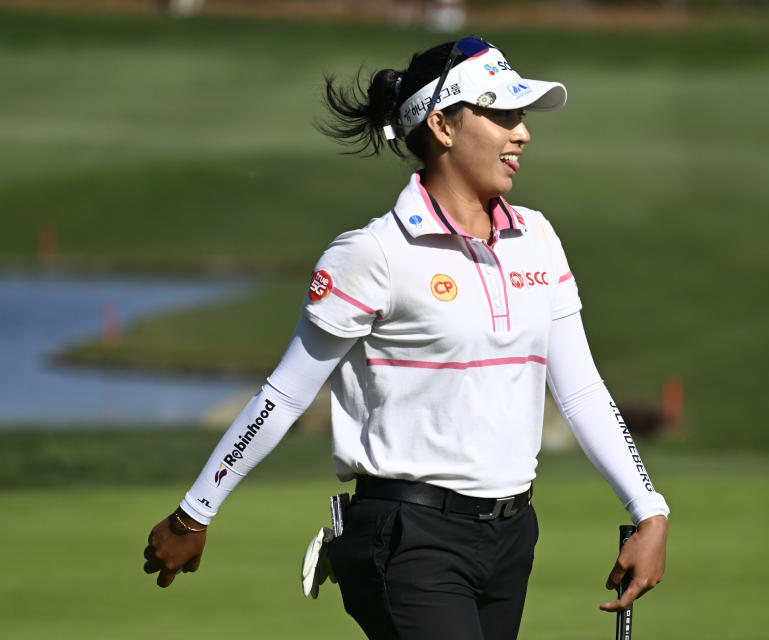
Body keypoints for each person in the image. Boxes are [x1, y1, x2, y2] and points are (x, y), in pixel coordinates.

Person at [143, 35, 669, 640]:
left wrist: (648, 508)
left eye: (520, 115)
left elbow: (579, 391)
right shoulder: (374, 254)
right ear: (442, 126)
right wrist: (194, 514)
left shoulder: (539, 239)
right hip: (406, 537)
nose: (521, 132)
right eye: (500, 114)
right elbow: (283, 396)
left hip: (511, 535)